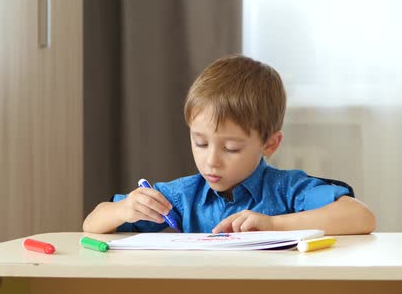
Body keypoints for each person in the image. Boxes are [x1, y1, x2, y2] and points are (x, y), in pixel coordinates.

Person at [83, 54, 376, 234]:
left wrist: (273, 225)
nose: (211, 161)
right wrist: (124, 210)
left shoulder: (288, 190)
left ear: (270, 144)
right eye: (199, 143)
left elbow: (361, 216)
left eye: (231, 148)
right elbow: (92, 223)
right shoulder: (181, 198)